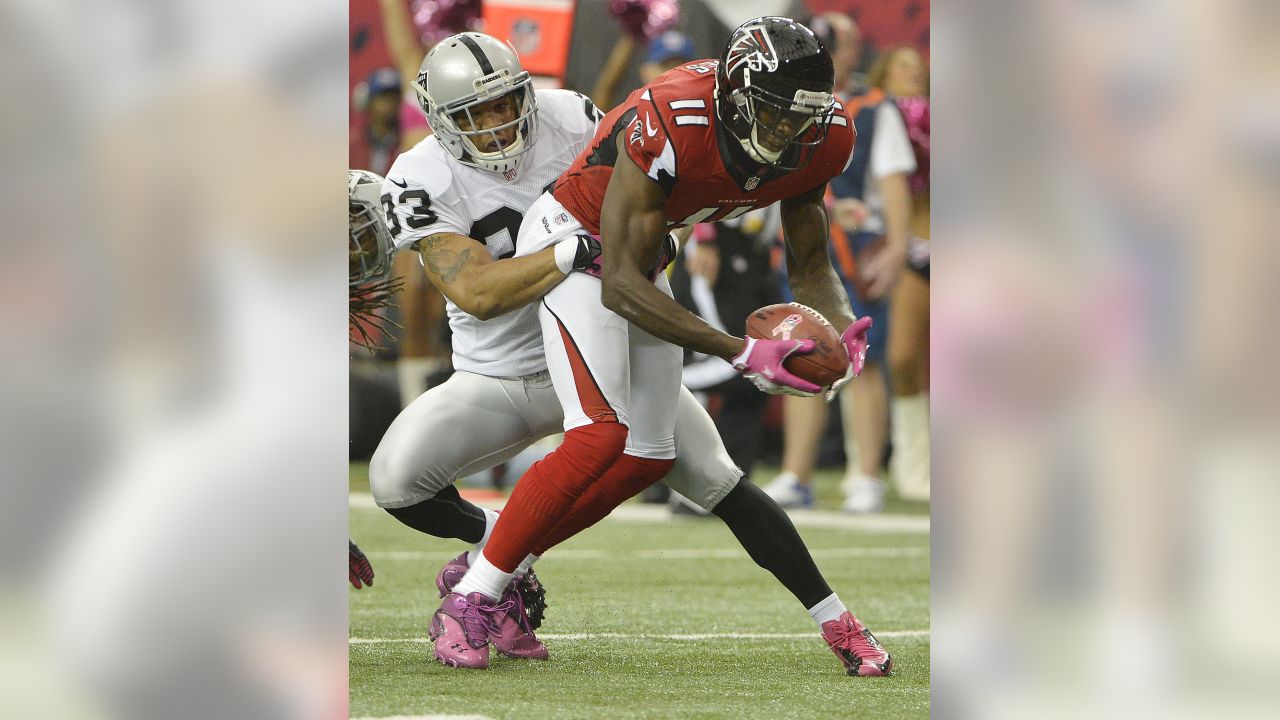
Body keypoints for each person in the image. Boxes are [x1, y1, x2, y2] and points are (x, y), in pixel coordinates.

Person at [375, 32, 886, 676]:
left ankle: (837, 622)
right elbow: (493, 291)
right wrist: (738, 350)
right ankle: (480, 586)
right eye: (476, 114)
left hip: (609, 315)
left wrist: (837, 330)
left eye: (506, 103)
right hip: (508, 366)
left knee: (674, 462)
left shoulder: (578, 116)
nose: (498, 123)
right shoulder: (424, 175)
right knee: (405, 480)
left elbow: (808, 262)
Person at [763, 13, 917, 513]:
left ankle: (866, 474)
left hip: (855, 243)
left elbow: (892, 178)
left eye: (836, 44)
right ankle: (796, 472)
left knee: (861, 358)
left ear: (853, 52)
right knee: (799, 350)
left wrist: (896, 246)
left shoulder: (873, 107)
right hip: (802, 241)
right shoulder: (787, 102)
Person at [872, 45, 931, 504]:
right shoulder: (875, 115)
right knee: (902, 358)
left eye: (919, 68)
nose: (914, 73)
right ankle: (911, 464)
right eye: (903, 64)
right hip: (905, 245)